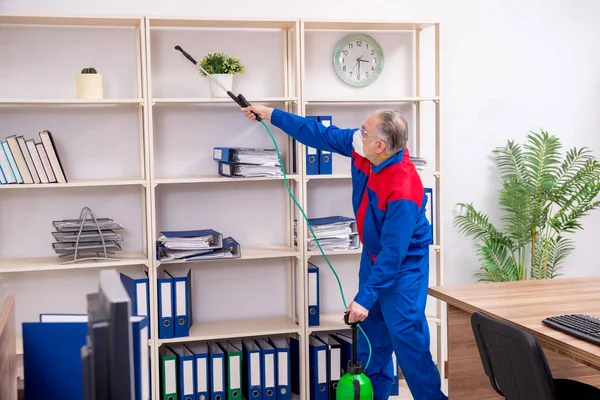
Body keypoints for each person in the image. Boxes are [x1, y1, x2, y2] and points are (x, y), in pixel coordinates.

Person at [240, 105, 447, 400]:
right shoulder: (365, 148)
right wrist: (271, 114)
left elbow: (394, 252)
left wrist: (365, 296)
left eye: (363, 131)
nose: (356, 134)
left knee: (407, 340)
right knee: (370, 339)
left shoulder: (403, 190)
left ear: (380, 145)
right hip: (375, 257)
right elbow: (318, 133)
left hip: (404, 266)